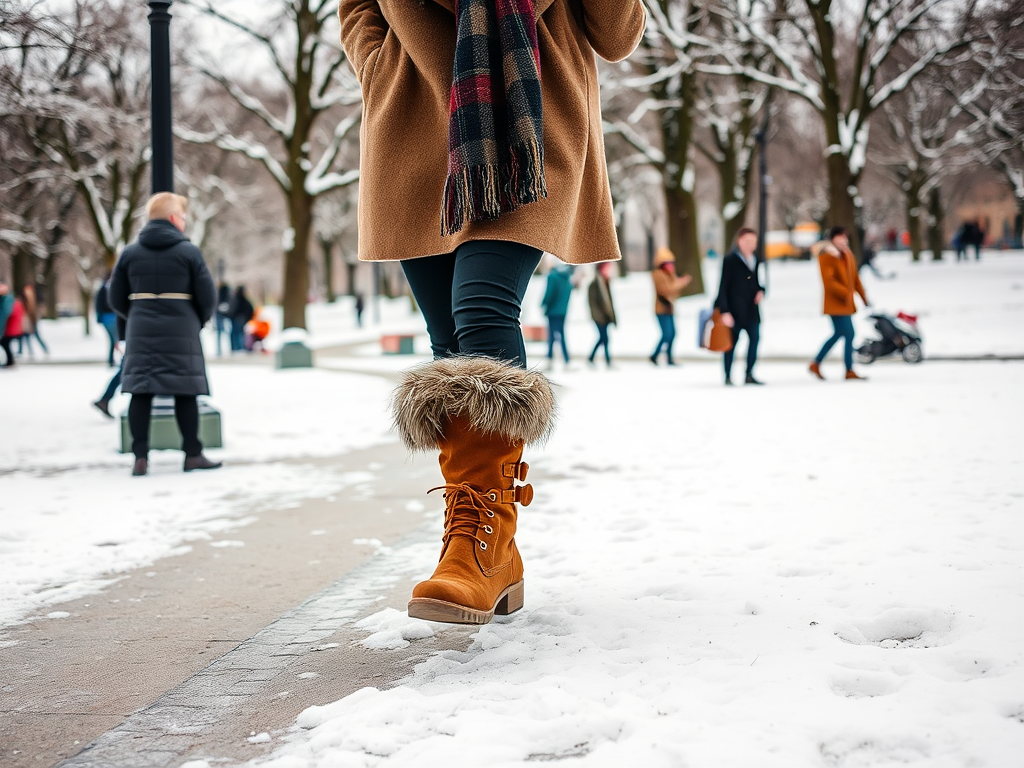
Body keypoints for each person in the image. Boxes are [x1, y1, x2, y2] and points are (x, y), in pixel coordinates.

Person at [339, 0, 645, 625]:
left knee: (480, 307)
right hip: (415, 123)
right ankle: (485, 545)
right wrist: (377, 62)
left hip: (529, 130)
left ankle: (477, 547)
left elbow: (616, 36)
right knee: (450, 339)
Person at [108, 192, 221, 476]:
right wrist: (197, 320)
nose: (184, 222)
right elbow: (207, 296)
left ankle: (140, 457)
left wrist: (135, 315)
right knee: (186, 391)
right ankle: (192, 454)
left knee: (140, 391)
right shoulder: (189, 252)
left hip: (141, 327)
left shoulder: (130, 253)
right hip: (182, 327)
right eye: (183, 217)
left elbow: (115, 297)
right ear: (173, 218)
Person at [809, 226, 870, 381]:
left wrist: (863, 297)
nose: (843, 240)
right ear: (833, 238)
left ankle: (817, 363)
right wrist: (846, 293)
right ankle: (848, 369)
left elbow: (854, 278)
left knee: (840, 334)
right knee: (848, 333)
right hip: (835, 303)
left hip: (846, 303)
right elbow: (828, 282)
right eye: (840, 237)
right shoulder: (827, 256)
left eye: (845, 237)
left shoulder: (847, 255)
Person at [715, 227, 764, 385]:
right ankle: (727, 375)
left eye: (753, 241)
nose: (751, 244)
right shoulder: (730, 260)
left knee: (755, 340)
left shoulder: (754, 259)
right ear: (739, 241)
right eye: (747, 241)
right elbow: (723, 287)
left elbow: (755, 282)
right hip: (734, 310)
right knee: (731, 344)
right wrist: (725, 311)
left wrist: (761, 291)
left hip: (751, 310)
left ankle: (749, 373)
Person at [650, 247, 693, 366]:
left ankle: (668, 357)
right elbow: (666, 290)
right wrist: (681, 282)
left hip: (669, 308)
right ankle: (655, 355)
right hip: (661, 309)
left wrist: (677, 281)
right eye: (668, 263)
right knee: (667, 334)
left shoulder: (670, 275)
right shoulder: (658, 275)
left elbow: (674, 292)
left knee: (673, 333)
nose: (671, 266)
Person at [541, 262, 574, 367]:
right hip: (562, 311)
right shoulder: (567, 277)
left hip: (553, 311)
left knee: (553, 335)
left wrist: (544, 304)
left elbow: (549, 293)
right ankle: (564, 360)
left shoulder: (552, 276)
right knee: (559, 335)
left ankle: (556, 360)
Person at [587, 262, 617, 367]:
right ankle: (606, 361)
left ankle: (591, 358)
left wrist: (613, 317)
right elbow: (593, 304)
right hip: (599, 318)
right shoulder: (594, 284)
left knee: (604, 338)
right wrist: (599, 317)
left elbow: (609, 303)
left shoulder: (606, 283)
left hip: (606, 317)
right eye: (606, 268)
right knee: (604, 338)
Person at [16, 285, 49, 357]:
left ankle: (43, 349)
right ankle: (29, 351)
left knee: (34, 335)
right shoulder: (26, 300)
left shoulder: (32, 301)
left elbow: (33, 313)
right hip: (28, 321)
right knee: (25, 336)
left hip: (31, 321)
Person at [95, 273, 119, 367]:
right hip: (109, 317)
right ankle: (112, 360)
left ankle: (111, 360)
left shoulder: (104, 289)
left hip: (109, 317)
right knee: (115, 339)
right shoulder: (105, 289)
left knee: (114, 340)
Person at [0, 279, 20, 368]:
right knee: (5, 344)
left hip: (8, 328)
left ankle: (10, 361)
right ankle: (10, 361)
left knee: (5, 343)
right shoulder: (8, 300)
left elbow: (5, 315)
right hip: (8, 328)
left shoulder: (7, 300)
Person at [228, 286, 254, 352]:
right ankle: (239, 348)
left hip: (238, 319)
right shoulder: (241, 300)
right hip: (239, 319)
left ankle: (238, 348)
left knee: (237, 334)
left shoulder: (237, 300)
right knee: (238, 334)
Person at [215, 282, 231, 356]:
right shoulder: (227, 294)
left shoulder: (218, 293)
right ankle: (224, 350)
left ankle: (220, 350)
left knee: (220, 333)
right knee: (225, 332)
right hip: (225, 315)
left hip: (219, 314)